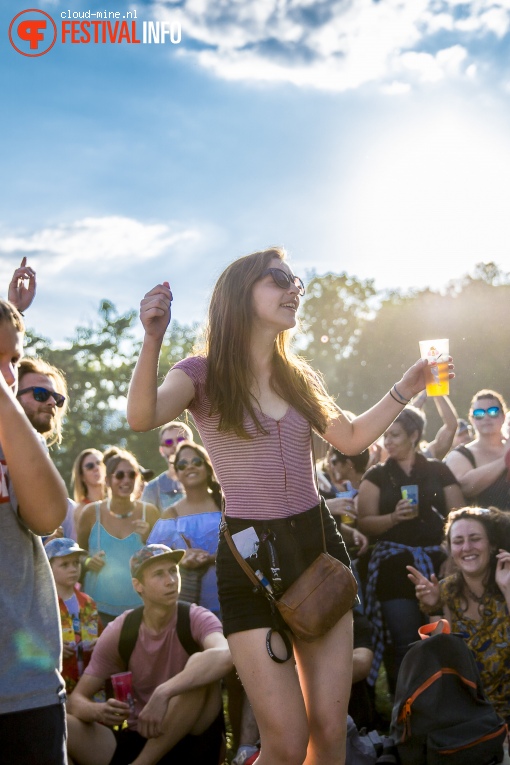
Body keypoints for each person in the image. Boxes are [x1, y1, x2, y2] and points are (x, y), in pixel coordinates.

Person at [126, 246, 447, 765]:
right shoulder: (199, 374)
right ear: (239, 294)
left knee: (328, 732)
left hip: (317, 549)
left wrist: (404, 389)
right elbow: (142, 416)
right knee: (284, 741)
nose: (294, 287)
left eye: (296, 279)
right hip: (249, 561)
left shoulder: (297, 375)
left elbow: (348, 438)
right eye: (278, 278)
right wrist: (152, 337)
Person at [67, 543, 232, 765]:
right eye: (158, 574)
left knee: (199, 664)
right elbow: (76, 700)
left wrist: (163, 693)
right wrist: (97, 711)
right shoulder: (121, 629)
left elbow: (225, 654)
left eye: (173, 570)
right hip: (142, 734)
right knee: (63, 725)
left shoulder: (196, 617)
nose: (171, 580)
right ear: (138, 585)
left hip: (194, 738)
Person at [0, 299, 68, 764]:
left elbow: (47, 515)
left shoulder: (11, 449)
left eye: (12, 360)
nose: (9, 374)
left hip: (25, 688)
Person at [357, 406, 464, 690]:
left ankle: (447, 701)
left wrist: (453, 555)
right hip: (395, 567)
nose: (387, 442)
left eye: (395, 435)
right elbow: (364, 522)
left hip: (438, 562)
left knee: (444, 638)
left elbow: (460, 516)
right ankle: (405, 713)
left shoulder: (437, 470)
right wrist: (393, 517)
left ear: (414, 435)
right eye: (385, 436)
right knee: (404, 643)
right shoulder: (377, 475)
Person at [408, 506, 510, 722]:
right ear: (450, 549)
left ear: (492, 545)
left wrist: (508, 589)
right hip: (469, 715)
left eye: (475, 539)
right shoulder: (444, 591)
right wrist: (434, 607)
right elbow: (442, 666)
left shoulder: (507, 581)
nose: (466, 548)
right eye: (458, 541)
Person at [78, 450, 159, 625]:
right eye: (120, 475)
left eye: (132, 475)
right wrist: (87, 562)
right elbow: (78, 554)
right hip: (97, 611)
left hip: (142, 611)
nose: (126, 480)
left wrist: (149, 539)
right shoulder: (91, 513)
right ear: (107, 480)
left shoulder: (149, 513)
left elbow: (163, 559)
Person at [148, 441, 221, 616]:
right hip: (188, 601)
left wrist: (213, 558)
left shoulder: (227, 504)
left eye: (196, 462)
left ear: (208, 467)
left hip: (232, 595)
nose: (190, 467)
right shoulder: (170, 514)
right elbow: (153, 555)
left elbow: (249, 545)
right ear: (176, 474)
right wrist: (181, 559)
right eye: (182, 465)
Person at [45, 537, 102, 695]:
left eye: (76, 563)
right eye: (64, 564)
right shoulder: (42, 605)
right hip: (55, 686)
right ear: (47, 568)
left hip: (88, 684)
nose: (73, 569)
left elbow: (102, 636)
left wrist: (100, 643)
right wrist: (52, 647)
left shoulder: (88, 602)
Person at [446, 389, 510, 511]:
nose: (486, 417)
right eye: (479, 413)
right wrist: (505, 459)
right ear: (472, 419)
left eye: (493, 412)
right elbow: (464, 487)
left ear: (503, 416)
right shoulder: (461, 455)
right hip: (489, 527)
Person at [142, 421, 194, 513]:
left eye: (181, 440)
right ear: (161, 450)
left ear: (192, 445)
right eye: (168, 442)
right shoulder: (153, 489)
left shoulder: (210, 481)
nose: (175, 445)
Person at [411, 391, 459, 460]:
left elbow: (451, 426)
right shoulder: (392, 453)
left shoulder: (429, 454)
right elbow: (406, 418)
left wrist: (436, 392)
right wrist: (423, 396)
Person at [71, 448, 107, 529]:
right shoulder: (80, 510)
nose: (96, 468)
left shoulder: (116, 500)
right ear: (82, 476)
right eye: (90, 466)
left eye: (99, 463)